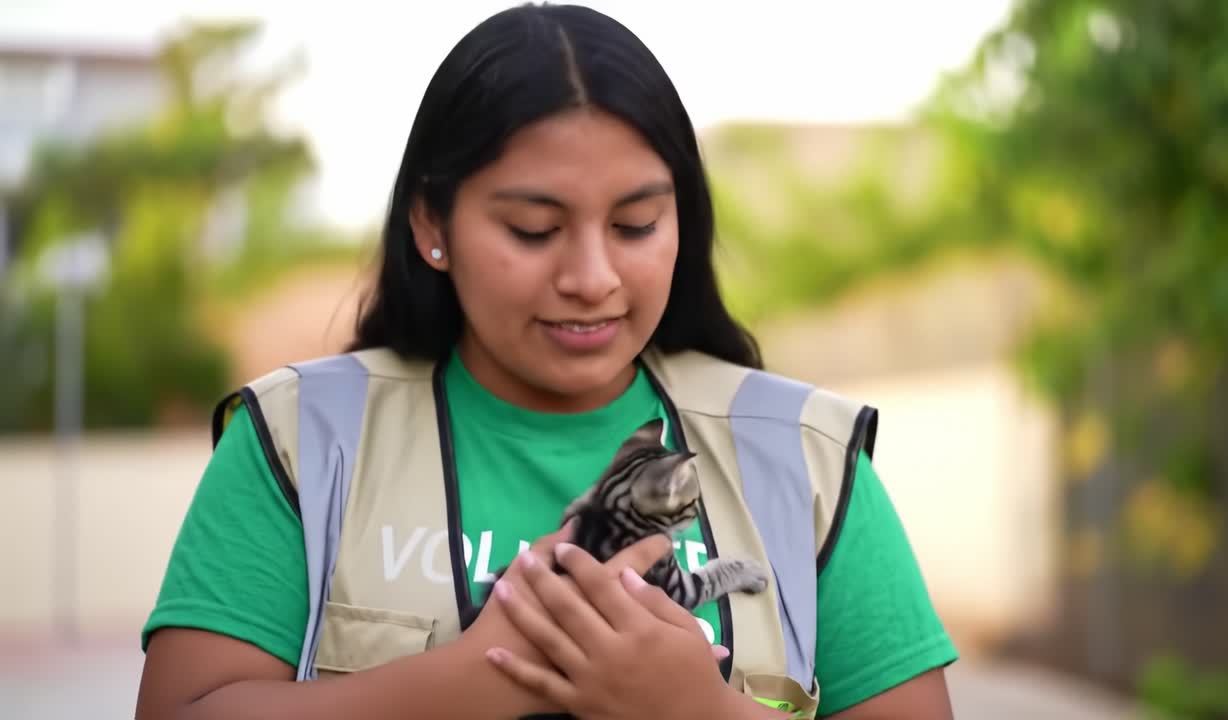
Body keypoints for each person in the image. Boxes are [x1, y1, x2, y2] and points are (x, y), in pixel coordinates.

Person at [135, 4, 958, 719]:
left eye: (635, 226)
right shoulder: (302, 441)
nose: (591, 278)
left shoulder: (803, 455)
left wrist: (694, 711)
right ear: (432, 221)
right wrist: (479, 679)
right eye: (533, 229)